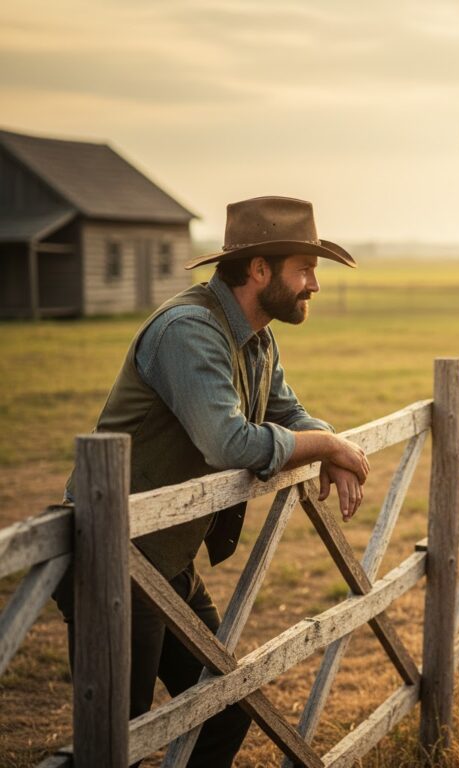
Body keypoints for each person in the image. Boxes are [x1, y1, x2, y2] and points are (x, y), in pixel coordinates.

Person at [53, 195, 369, 767]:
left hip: (164, 562)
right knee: (111, 742)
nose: (313, 285)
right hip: (111, 558)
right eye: (305, 269)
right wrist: (328, 445)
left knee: (224, 713)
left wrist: (329, 443)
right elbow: (229, 444)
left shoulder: (257, 336)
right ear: (259, 270)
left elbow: (288, 412)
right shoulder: (190, 330)